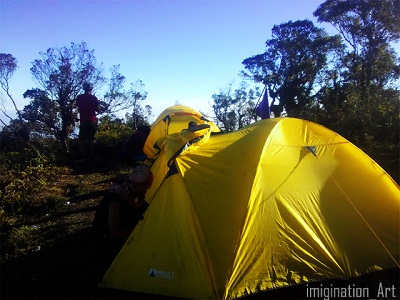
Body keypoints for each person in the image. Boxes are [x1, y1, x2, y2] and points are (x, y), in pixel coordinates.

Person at [92, 165, 153, 246]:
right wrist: (140, 235)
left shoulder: (127, 190)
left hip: (110, 233)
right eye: (144, 189)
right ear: (134, 186)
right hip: (104, 239)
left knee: (144, 207)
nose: (145, 192)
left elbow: (139, 204)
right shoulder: (114, 200)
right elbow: (115, 233)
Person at [76, 82, 100, 160]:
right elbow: (98, 109)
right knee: (92, 139)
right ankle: (91, 156)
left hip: (83, 120)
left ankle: (83, 157)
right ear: (91, 89)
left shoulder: (79, 97)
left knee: (81, 139)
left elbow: (79, 108)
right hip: (93, 120)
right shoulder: (94, 98)